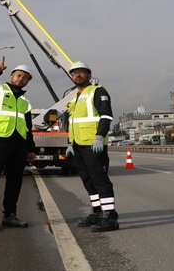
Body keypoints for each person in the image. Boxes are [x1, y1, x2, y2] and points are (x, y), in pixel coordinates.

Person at [0, 58, 37, 232]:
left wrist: (31, 148)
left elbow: (27, 127)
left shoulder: (25, 102)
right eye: (18, 75)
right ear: (11, 76)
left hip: (18, 144)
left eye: (25, 77)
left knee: (15, 181)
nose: (20, 79)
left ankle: (10, 215)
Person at [64, 61, 119, 232]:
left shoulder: (98, 91)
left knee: (100, 181)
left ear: (89, 74)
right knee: (88, 181)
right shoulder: (74, 97)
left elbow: (106, 116)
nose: (77, 75)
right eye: (74, 73)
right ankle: (97, 212)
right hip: (78, 146)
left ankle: (110, 216)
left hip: (93, 145)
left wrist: (99, 136)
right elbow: (71, 122)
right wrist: (69, 144)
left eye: (81, 72)